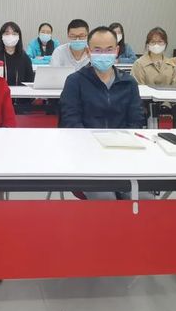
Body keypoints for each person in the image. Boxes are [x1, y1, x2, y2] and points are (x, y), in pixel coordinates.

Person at [60, 26, 145, 200]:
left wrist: (122, 148)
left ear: (117, 51)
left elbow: (136, 121)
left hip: (124, 154)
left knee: (143, 198)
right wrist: (94, 148)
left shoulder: (129, 83)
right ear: (88, 52)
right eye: (97, 50)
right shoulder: (75, 82)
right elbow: (71, 122)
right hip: (87, 157)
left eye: (109, 49)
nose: (103, 54)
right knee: (106, 199)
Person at [0, 22, 35, 86]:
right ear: (1, 37)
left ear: (18, 37)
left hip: (21, 91)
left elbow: (30, 81)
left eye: (14, 34)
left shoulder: (24, 57)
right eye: (7, 33)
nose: (10, 36)